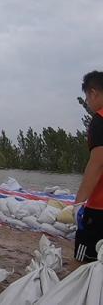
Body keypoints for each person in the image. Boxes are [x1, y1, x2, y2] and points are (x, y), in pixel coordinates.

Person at [75, 71, 103, 263]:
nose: (87, 102)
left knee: (85, 263)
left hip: (99, 207)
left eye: (86, 97)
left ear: (93, 93)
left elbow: (97, 164)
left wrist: (78, 203)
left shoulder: (99, 120)